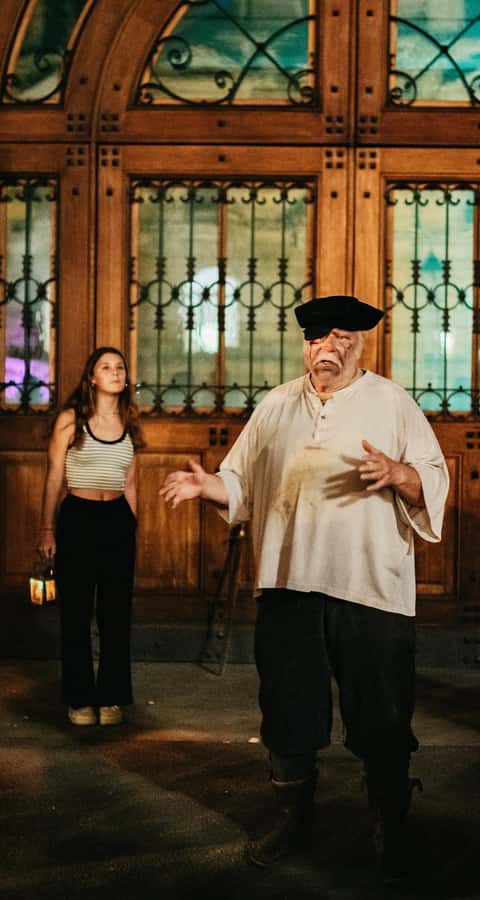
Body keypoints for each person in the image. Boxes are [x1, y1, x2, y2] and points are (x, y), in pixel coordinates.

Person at [159, 295, 449, 877]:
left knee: (383, 716)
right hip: (289, 582)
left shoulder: (392, 402)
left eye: (343, 338)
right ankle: (294, 819)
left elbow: (433, 479)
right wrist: (208, 486)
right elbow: (239, 481)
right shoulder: (276, 405)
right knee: (288, 712)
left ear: (360, 345)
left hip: (371, 589)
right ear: (306, 345)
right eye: (319, 339)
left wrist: (399, 474)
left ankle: (390, 826)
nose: (329, 349)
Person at [37, 346, 142, 727]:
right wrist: (46, 529)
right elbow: (54, 476)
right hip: (78, 519)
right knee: (77, 613)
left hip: (117, 520)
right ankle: (80, 699)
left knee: (116, 614)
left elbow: (131, 483)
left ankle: (112, 697)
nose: (115, 372)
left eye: (120, 367)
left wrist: (132, 527)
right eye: (106, 367)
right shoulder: (71, 420)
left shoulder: (129, 422)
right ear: (92, 378)